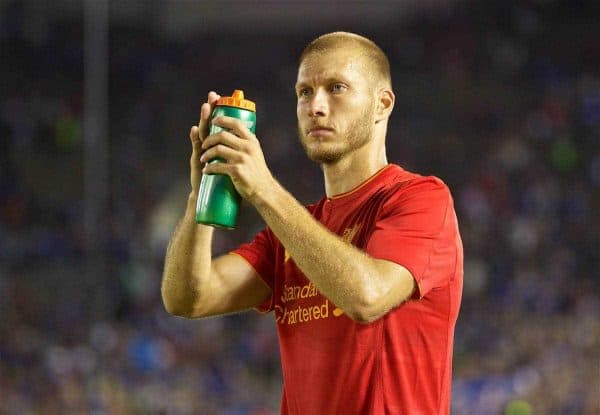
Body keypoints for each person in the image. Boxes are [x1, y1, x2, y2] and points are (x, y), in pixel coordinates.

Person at [161, 31, 463, 415]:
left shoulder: (420, 199)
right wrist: (201, 194)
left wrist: (263, 190)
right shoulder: (288, 232)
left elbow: (366, 297)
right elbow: (187, 297)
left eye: (336, 88)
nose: (316, 106)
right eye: (305, 92)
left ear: (381, 104)